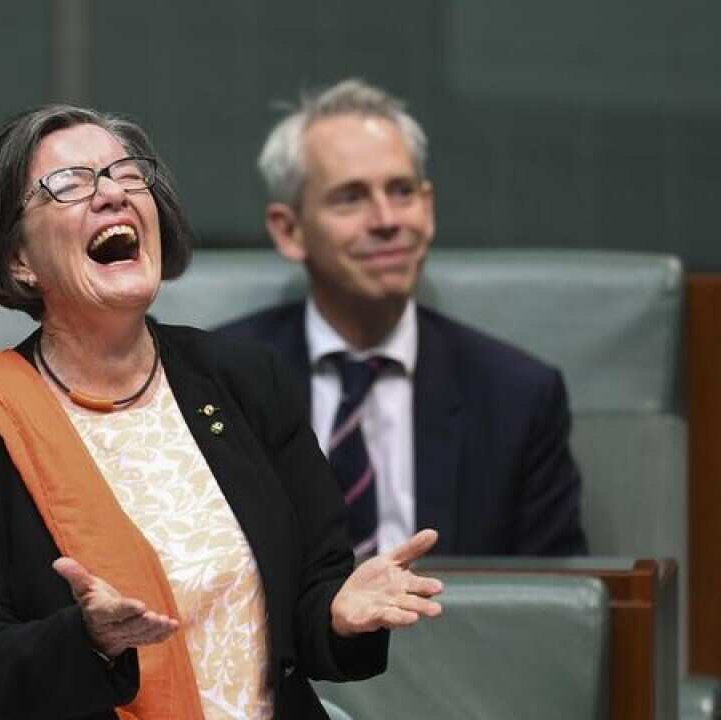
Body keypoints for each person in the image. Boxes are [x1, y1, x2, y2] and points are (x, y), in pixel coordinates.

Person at [0, 105, 443, 720]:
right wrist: (90, 642)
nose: (113, 194)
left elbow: (311, 609)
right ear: (17, 260)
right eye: (72, 183)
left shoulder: (246, 380)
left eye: (128, 174)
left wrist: (342, 617)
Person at [218, 79, 587, 557]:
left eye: (402, 191)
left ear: (428, 210)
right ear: (289, 231)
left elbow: (557, 602)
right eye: (350, 197)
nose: (387, 219)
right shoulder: (222, 386)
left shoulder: (517, 398)